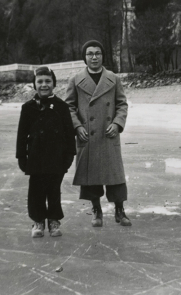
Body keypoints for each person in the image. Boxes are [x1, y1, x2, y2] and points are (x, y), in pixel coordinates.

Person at [65, 40, 131, 227]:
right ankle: (97, 210)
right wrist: (77, 127)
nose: (94, 57)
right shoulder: (76, 80)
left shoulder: (113, 78)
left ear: (103, 56)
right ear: (84, 57)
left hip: (108, 133)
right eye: (90, 54)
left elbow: (122, 104)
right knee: (91, 176)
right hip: (88, 134)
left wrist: (117, 124)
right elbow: (68, 107)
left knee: (115, 176)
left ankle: (119, 210)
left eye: (97, 53)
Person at [16, 66, 76, 238]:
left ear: (54, 83)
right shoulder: (28, 108)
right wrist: (21, 156)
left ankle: (54, 220)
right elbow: (21, 135)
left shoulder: (62, 107)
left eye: (48, 81)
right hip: (35, 158)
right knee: (36, 192)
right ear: (34, 84)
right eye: (40, 81)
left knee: (54, 190)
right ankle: (38, 221)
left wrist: (70, 155)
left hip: (56, 159)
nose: (44, 85)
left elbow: (69, 134)